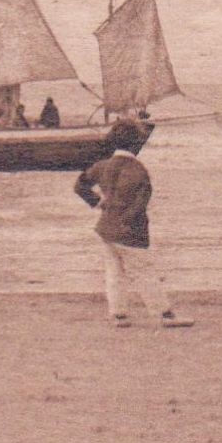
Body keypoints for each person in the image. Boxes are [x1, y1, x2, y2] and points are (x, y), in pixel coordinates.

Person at [75, 121, 194, 328]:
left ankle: (119, 314)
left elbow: (80, 185)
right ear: (136, 144)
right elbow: (139, 204)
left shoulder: (103, 166)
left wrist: (98, 202)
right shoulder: (138, 170)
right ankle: (164, 314)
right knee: (143, 272)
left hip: (106, 227)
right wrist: (129, 223)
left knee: (114, 272)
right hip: (129, 230)